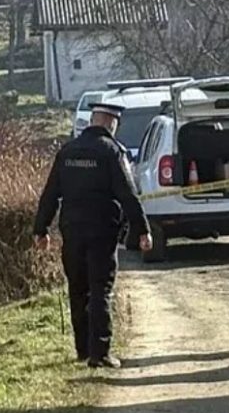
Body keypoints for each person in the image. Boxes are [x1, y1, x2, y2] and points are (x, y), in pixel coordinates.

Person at [33, 102, 153, 368]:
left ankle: (83, 350)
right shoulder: (112, 152)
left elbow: (50, 193)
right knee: (101, 289)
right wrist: (142, 229)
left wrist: (40, 229)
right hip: (102, 231)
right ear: (111, 123)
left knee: (78, 289)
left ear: (91, 121)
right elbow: (127, 194)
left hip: (71, 230)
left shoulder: (67, 151)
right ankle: (100, 353)